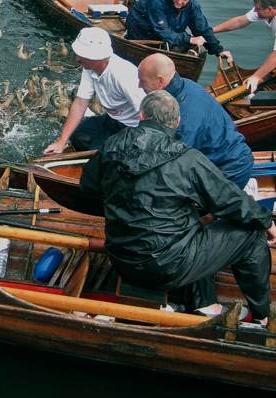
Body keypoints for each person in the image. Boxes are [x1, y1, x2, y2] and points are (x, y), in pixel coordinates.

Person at [79, 90, 276, 321]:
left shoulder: (111, 146)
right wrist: (266, 221)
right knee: (251, 236)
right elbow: (230, 201)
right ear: (177, 122)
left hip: (121, 257)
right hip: (167, 266)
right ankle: (263, 317)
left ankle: (204, 303)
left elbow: (88, 187)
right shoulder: (187, 159)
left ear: (141, 116)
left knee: (194, 223)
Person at [137, 53, 254, 193]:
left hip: (229, 169)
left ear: (160, 81)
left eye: (143, 81)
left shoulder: (183, 119)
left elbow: (173, 163)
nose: (139, 85)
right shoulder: (186, 84)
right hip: (224, 156)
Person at [44, 27, 145, 153]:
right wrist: (61, 141)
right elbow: (80, 103)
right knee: (77, 136)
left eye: (81, 55)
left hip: (131, 127)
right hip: (111, 119)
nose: (77, 59)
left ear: (96, 57)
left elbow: (146, 113)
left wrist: (137, 145)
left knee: (99, 157)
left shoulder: (123, 75)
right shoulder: (89, 67)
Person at [125, 0, 230, 59]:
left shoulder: (193, 5)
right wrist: (189, 39)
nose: (180, 2)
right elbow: (164, 31)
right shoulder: (157, 1)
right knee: (175, 39)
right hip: (140, 30)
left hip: (167, 29)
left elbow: (202, 29)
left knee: (179, 41)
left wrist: (218, 51)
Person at [213, 0, 276, 93]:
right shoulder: (263, 10)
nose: (255, 11)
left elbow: (275, 57)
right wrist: (211, 31)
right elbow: (239, 21)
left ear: (269, 9)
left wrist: (256, 77)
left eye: (258, 9)